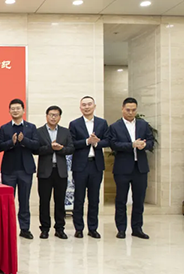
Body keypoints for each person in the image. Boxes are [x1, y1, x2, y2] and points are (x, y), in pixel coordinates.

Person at [107, 97, 154, 239]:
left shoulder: (143, 124)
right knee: (121, 200)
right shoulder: (115, 127)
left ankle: (137, 228)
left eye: (133, 110)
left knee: (139, 200)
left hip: (140, 168)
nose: (130, 112)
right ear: (122, 109)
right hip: (122, 169)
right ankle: (121, 229)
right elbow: (113, 145)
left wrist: (145, 145)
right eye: (128, 110)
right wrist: (131, 145)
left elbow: (151, 141)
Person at [69, 96, 110, 239]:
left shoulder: (102, 123)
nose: (87, 107)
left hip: (96, 165)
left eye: (89, 104)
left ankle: (93, 228)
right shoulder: (74, 124)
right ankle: (78, 228)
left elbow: (108, 141)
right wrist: (87, 141)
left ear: (94, 106)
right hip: (80, 166)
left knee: (94, 198)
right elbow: (72, 143)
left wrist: (97, 143)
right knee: (79, 198)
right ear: (80, 108)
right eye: (84, 105)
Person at [0, 99, 39, 240]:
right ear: (9, 111)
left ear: (23, 110)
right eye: (13, 108)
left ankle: (25, 229)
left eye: (18, 108)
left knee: (24, 201)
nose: (15, 111)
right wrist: (12, 142)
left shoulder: (31, 127)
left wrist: (24, 141)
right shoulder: (4, 128)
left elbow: (36, 146)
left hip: (25, 170)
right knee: (7, 202)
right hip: (9, 170)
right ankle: (6, 229)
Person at [36, 105, 74, 239]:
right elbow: (35, 149)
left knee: (60, 201)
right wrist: (50, 148)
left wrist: (60, 149)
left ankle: (60, 228)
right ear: (46, 116)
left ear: (59, 117)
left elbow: (71, 148)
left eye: (56, 115)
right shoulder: (39, 131)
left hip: (60, 171)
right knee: (44, 201)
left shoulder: (65, 132)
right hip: (45, 171)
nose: (53, 117)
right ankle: (44, 229)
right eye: (51, 115)